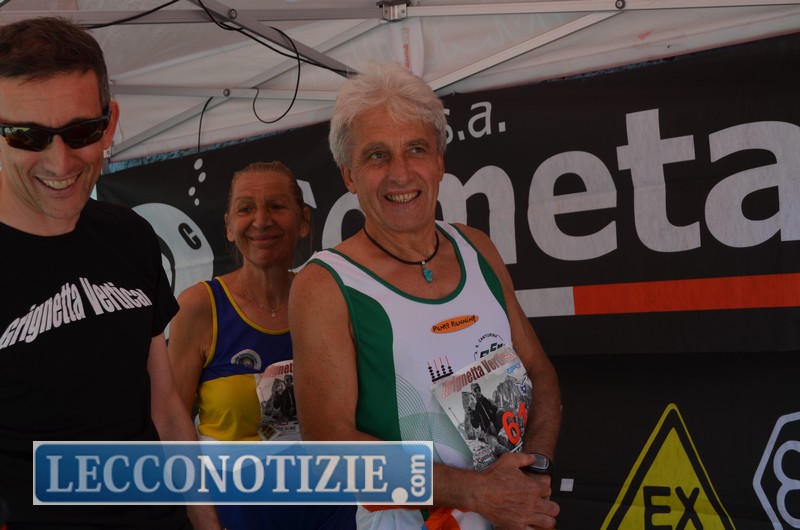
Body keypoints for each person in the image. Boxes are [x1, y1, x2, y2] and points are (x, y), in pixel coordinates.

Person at [289, 61, 562, 529]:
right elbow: (329, 446)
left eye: (416, 149)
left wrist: (529, 473)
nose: (400, 174)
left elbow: (538, 370)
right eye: (377, 155)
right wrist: (475, 491)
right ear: (349, 175)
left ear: (439, 161)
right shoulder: (325, 283)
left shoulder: (477, 247)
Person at [0, 17, 217, 529]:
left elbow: (165, 404)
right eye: (28, 136)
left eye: (81, 131)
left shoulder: (128, 234)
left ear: (110, 121)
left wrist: (204, 518)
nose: (60, 162)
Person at [167, 162, 356, 530]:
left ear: (303, 221)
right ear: (229, 226)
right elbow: (172, 429)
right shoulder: (200, 307)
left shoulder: (327, 298)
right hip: (237, 516)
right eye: (245, 208)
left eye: (277, 206)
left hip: (333, 512)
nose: (261, 220)